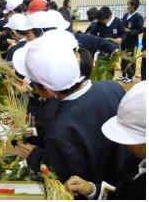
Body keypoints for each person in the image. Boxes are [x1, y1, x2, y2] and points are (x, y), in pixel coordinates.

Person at [13, 30, 132, 188]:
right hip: (127, 181)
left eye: (33, 85)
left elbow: (67, 178)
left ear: (47, 89)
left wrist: (36, 157)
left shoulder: (59, 128)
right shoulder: (113, 87)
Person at [65, 81, 146, 200]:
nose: (125, 145)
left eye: (130, 140)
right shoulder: (137, 160)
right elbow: (122, 194)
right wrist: (92, 189)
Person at [116, 0, 144, 83]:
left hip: (132, 43)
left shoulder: (138, 17)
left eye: (128, 4)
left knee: (130, 60)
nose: (126, 6)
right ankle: (123, 75)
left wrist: (130, 31)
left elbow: (141, 29)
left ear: (133, 6)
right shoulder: (125, 15)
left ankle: (130, 76)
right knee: (123, 58)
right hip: (124, 42)